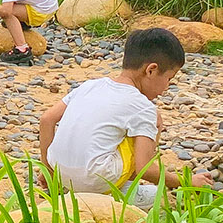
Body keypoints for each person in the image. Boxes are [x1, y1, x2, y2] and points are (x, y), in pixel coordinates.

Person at [39, 28, 208, 208]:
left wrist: (49, 170)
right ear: (151, 70)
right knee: (155, 122)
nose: (167, 87)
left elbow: (47, 120)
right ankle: (123, 193)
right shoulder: (142, 107)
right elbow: (143, 168)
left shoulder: (91, 85)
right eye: (169, 79)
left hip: (61, 174)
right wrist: (187, 182)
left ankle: (67, 184)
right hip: (96, 182)